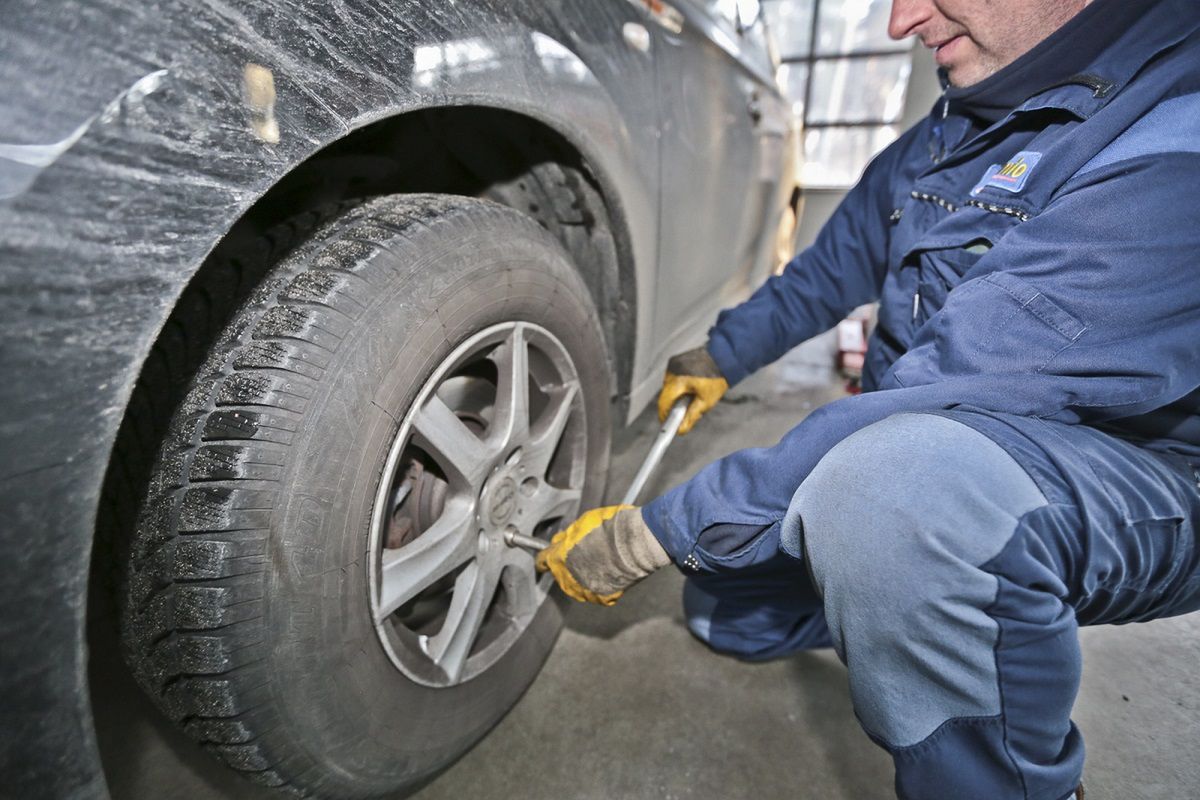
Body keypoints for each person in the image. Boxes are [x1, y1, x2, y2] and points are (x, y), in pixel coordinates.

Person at [535, 0, 1200, 797]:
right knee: (722, 611)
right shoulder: (941, 139)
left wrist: (651, 533)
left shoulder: (1173, 139)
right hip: (924, 428)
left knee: (896, 504)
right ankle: (884, 598)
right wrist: (720, 353)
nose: (899, 21)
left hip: (1137, 475)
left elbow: (962, 383)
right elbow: (823, 275)